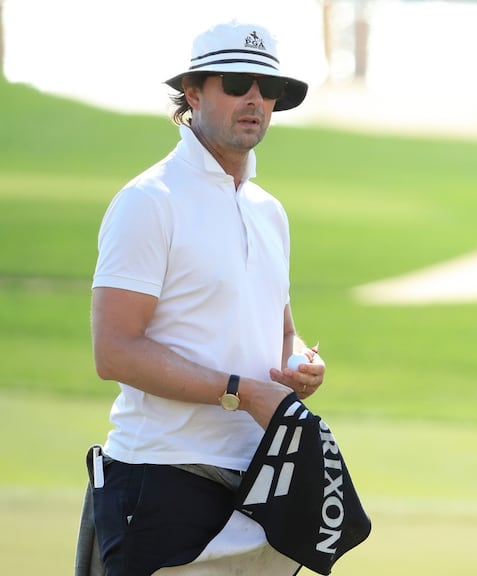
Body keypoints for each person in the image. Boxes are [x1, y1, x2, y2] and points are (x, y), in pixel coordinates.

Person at [76, 20, 326, 576]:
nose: (255, 99)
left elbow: (280, 329)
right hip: (161, 477)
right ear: (192, 93)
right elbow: (114, 351)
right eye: (237, 82)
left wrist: (298, 363)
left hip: (257, 479)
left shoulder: (269, 211)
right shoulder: (150, 200)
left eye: (269, 88)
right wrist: (241, 393)